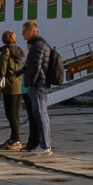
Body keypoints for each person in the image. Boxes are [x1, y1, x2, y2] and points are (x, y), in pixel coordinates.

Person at [21, 21, 55, 155]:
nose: (22, 34)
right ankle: (44, 145)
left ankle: (46, 146)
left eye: (24, 31)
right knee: (40, 114)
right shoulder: (40, 44)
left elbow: (36, 67)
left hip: (38, 84)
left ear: (31, 31)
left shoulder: (37, 45)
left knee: (40, 113)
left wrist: (30, 83)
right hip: (40, 83)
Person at [0, 29, 26, 149]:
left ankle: (17, 139)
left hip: (9, 85)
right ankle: (13, 137)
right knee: (15, 114)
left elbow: (1, 70)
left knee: (10, 114)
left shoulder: (6, 52)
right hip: (18, 85)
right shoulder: (20, 51)